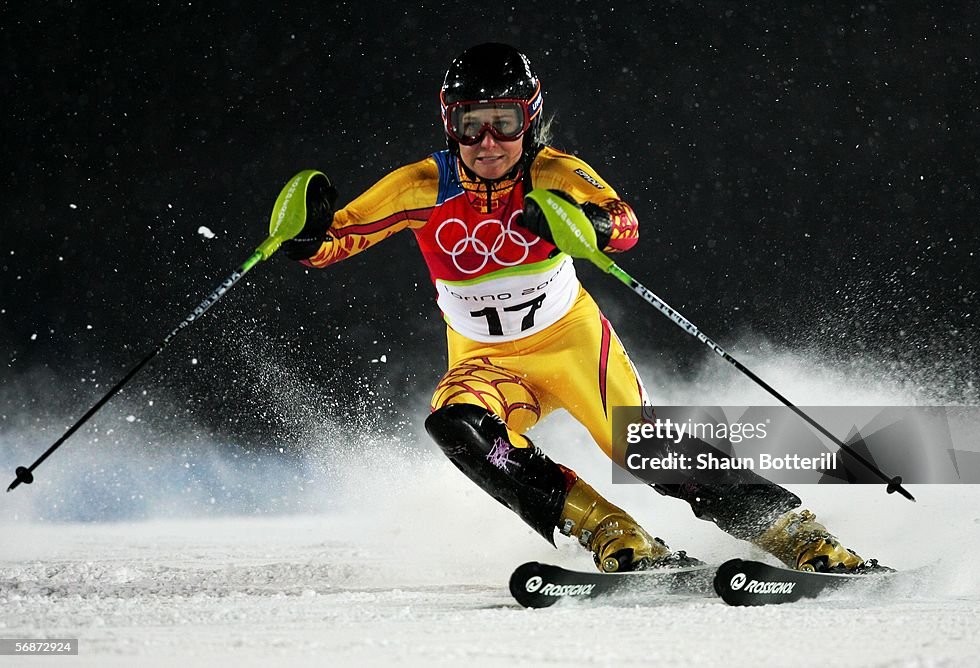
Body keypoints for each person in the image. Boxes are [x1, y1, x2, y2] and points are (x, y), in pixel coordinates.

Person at [281, 43, 875, 574]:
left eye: (504, 123)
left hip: (571, 345)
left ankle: (795, 533)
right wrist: (305, 237)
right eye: (472, 125)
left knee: (645, 450)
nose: (489, 143)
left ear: (529, 118)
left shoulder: (555, 172)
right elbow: (338, 239)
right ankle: (612, 530)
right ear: (451, 124)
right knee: (456, 427)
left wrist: (585, 222)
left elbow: (624, 224)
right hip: (486, 363)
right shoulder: (420, 185)